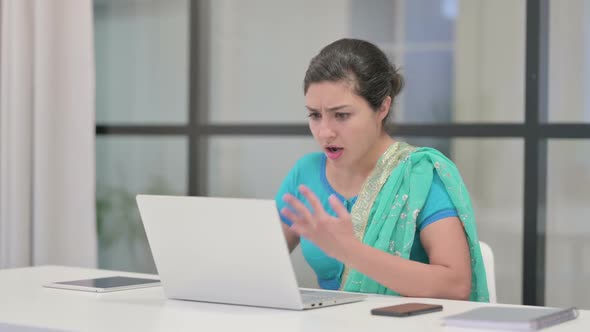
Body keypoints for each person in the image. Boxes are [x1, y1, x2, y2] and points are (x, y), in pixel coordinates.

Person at [275, 38, 489, 302]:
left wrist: (350, 250)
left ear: (382, 108)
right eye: (315, 115)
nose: (324, 132)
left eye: (341, 115)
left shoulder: (419, 176)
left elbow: (455, 286)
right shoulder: (305, 174)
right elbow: (260, 264)